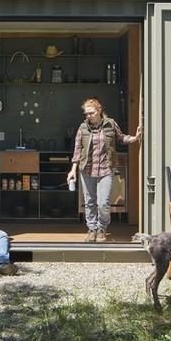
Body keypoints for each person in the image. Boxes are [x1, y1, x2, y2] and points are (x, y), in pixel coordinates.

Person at [66, 97, 143, 243]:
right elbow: (77, 150)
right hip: (86, 169)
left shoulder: (110, 124)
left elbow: (121, 138)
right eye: (86, 114)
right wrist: (72, 170)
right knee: (89, 202)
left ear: (99, 110)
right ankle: (92, 229)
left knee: (103, 203)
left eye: (91, 113)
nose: (88, 116)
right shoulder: (83, 128)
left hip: (106, 168)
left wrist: (135, 138)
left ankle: (102, 228)